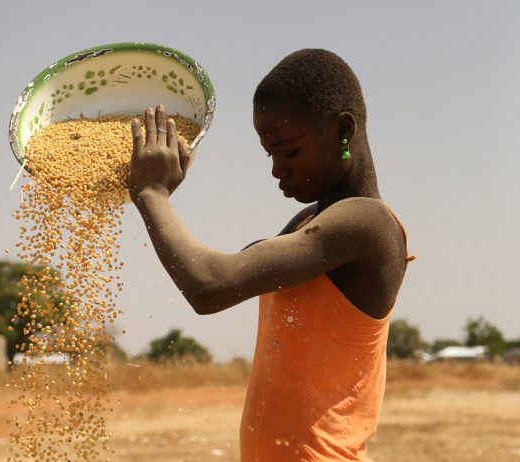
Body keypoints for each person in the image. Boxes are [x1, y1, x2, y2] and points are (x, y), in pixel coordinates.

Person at [128, 49, 414, 462]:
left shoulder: (367, 225)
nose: (277, 170)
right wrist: (159, 191)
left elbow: (210, 286)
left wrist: (151, 195)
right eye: (270, 154)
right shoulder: (307, 223)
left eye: (291, 151)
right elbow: (216, 269)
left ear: (343, 131)